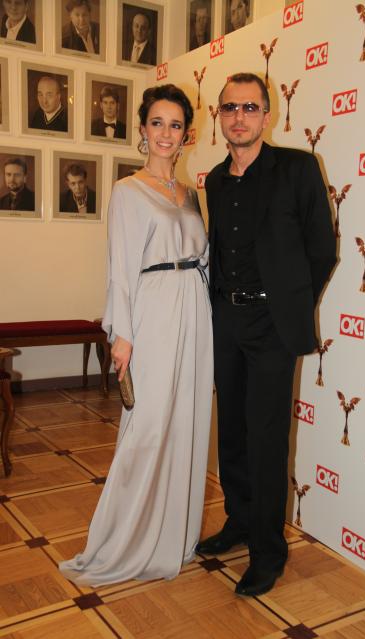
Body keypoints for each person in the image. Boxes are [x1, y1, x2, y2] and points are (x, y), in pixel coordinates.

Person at [59, 84, 213, 587]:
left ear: (186, 134)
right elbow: (120, 269)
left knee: (186, 423)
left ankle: (173, 536)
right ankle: (122, 540)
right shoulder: (128, 190)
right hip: (153, 313)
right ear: (143, 130)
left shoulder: (191, 194)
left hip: (196, 312)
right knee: (145, 429)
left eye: (175, 124)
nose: (166, 133)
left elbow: (203, 260)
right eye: (157, 123)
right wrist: (121, 335)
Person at [196, 73, 337, 596]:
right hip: (225, 321)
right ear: (220, 116)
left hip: (271, 327)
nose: (239, 117)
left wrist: (287, 304)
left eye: (249, 107)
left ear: (267, 115)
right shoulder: (215, 179)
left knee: (266, 439)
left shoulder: (298, 169)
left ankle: (267, 552)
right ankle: (238, 522)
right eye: (230, 108)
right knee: (231, 431)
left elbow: (322, 249)